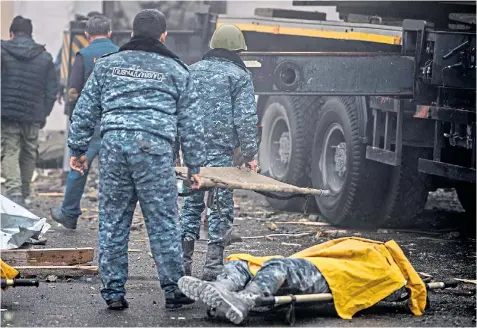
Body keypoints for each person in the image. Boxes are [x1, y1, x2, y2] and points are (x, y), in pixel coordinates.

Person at [67, 9, 206, 310]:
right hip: (154, 151)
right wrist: (194, 167)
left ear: (130, 35)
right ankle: (173, 290)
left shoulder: (107, 66)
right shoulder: (177, 70)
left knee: (113, 221)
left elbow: (84, 109)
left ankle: (114, 292)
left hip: (114, 148)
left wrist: (78, 150)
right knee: (163, 222)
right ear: (164, 36)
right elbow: (191, 125)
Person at [178, 237, 427, 325]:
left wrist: (413, 298)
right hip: (316, 266)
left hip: (328, 275)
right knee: (242, 263)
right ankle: (221, 290)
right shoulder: (370, 249)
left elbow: (413, 286)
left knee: (278, 266)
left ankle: (244, 300)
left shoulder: (389, 269)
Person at [179, 24, 259, 281]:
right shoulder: (239, 76)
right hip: (221, 154)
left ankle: (182, 266)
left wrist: (174, 152)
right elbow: (245, 119)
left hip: (191, 152)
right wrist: (249, 155)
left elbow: (177, 111)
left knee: (191, 206)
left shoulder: (190, 71)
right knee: (221, 208)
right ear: (239, 50)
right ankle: (212, 269)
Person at [50, 15, 119, 229]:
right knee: (114, 172)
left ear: (87, 35)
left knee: (79, 167)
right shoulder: (121, 54)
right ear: (110, 33)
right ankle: (113, 220)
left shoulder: (84, 55)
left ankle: (69, 213)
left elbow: (73, 91)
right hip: (116, 122)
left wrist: (74, 120)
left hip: (91, 125)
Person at [1, 16, 57, 205]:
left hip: (7, 113)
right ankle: (23, 193)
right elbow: (51, 90)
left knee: (10, 150)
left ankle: (15, 192)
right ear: (31, 34)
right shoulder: (45, 57)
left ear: (11, 33)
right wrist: (44, 113)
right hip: (33, 113)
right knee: (29, 152)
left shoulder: (2, 52)